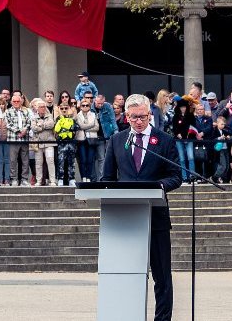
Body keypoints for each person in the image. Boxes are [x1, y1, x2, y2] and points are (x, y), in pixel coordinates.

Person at [100, 94, 183, 321]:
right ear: (126, 117)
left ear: (149, 115)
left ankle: (162, 318)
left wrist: (158, 187)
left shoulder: (164, 140)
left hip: (156, 217)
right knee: (127, 274)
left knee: (162, 276)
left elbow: (176, 176)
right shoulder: (117, 141)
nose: (139, 121)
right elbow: (108, 178)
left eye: (143, 117)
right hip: (125, 219)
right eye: (134, 117)